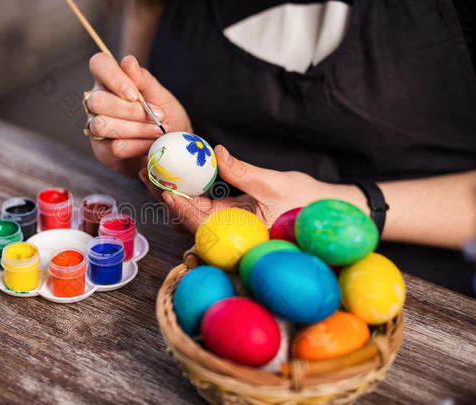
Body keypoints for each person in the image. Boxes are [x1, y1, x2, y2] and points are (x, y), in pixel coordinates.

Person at [83, 0, 476, 296]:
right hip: (203, 266)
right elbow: (149, 123)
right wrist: (143, 149)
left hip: (420, 295)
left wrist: (332, 207)